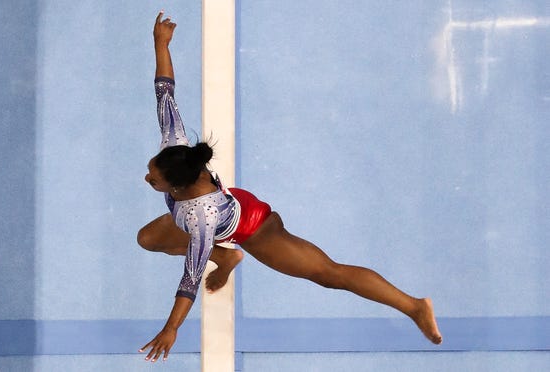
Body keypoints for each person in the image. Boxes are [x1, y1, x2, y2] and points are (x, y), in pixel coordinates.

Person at [138, 11, 442, 362]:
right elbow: (165, 90)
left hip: (255, 227)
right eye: (151, 172)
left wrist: (172, 327)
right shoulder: (174, 147)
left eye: (154, 179)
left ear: (177, 184)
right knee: (148, 238)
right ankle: (226, 256)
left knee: (329, 274)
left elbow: (189, 281)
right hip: (220, 212)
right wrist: (161, 43)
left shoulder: (200, 219)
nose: (149, 178)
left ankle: (414, 306)